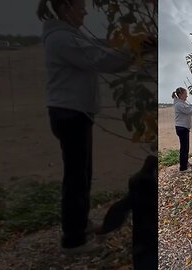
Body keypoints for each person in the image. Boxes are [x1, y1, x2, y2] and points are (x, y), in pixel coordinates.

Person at [36, 0, 135, 254]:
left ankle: (78, 225)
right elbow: (100, 58)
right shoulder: (62, 39)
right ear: (67, 8)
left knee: (80, 174)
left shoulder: (68, 35)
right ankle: (74, 239)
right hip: (70, 115)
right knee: (77, 178)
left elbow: (97, 53)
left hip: (72, 113)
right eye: (81, 6)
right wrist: (136, 49)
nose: (86, 11)